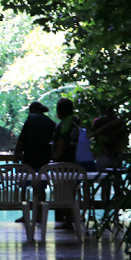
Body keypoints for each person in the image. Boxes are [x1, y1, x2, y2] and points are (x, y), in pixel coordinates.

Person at [13, 101, 56, 223]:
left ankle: (25, 213)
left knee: (24, 187)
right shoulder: (50, 122)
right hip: (44, 159)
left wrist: (16, 156)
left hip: (29, 158)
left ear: (32, 109)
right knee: (41, 187)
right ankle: (39, 216)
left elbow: (21, 140)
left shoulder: (30, 120)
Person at [92, 107, 128, 210]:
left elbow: (98, 139)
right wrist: (115, 151)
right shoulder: (119, 122)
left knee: (106, 184)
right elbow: (125, 141)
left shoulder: (100, 122)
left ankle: (108, 209)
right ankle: (115, 209)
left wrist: (107, 151)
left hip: (106, 155)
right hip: (114, 155)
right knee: (115, 184)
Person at [53, 98, 80, 229]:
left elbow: (60, 143)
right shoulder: (74, 126)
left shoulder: (63, 126)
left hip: (62, 164)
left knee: (62, 192)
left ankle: (67, 219)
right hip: (73, 163)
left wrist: (55, 159)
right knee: (71, 192)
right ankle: (70, 218)